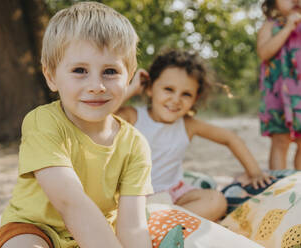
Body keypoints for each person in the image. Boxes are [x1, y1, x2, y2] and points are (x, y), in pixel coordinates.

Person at [0, 2, 154, 248]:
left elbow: (132, 225)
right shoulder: (43, 122)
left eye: (110, 71)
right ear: (51, 77)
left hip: (97, 233)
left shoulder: (135, 145)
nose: (96, 85)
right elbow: (70, 202)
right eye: (80, 70)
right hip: (37, 228)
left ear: (129, 76)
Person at [116, 50, 273, 221]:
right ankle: (157, 223)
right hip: (133, 196)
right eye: (169, 89)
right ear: (149, 88)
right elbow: (101, 114)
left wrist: (255, 173)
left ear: (195, 98)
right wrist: (131, 89)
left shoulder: (188, 124)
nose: (176, 99)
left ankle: (161, 224)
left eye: (186, 94)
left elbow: (230, 138)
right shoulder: (131, 116)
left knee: (217, 201)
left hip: (174, 194)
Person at [257, 0, 301, 170]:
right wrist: (288, 27)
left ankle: (298, 189)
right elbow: (264, 52)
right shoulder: (270, 26)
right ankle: (277, 187)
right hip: (278, 97)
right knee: (280, 141)